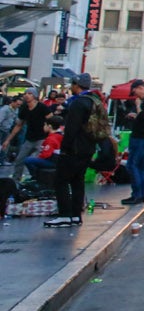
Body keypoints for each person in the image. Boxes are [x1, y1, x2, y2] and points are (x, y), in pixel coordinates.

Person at [47, 74, 98, 228]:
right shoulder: (94, 101)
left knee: (61, 181)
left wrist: (65, 147)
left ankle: (64, 215)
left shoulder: (78, 103)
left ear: (77, 85)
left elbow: (72, 128)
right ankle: (76, 215)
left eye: (73, 84)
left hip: (74, 148)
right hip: (88, 147)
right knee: (78, 181)